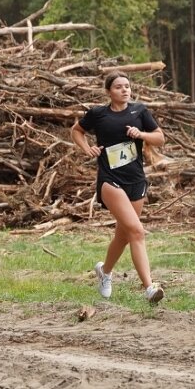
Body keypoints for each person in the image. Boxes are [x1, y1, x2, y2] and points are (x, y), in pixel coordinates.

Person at [71, 72, 166, 303]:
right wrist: (87, 149)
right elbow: (76, 130)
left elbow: (160, 138)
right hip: (110, 179)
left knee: (123, 235)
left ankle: (105, 272)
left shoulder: (140, 111)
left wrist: (140, 134)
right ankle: (149, 288)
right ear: (108, 92)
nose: (124, 90)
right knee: (137, 231)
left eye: (127, 86)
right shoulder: (98, 114)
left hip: (135, 180)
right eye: (118, 87)